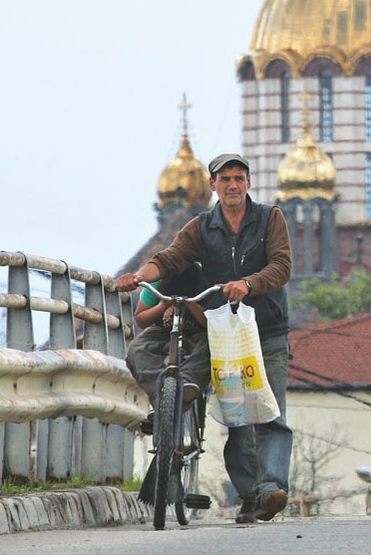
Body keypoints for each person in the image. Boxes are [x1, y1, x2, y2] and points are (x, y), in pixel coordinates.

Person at [116, 153, 294, 524]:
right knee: (239, 418)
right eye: (225, 178)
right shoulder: (202, 228)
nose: (232, 185)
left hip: (265, 329)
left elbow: (281, 266)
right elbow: (169, 259)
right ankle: (252, 496)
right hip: (226, 334)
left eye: (239, 178)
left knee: (270, 413)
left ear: (248, 183)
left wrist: (248, 283)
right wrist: (139, 275)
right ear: (213, 185)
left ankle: (272, 488)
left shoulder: (269, 219)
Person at [126, 263, 210, 408]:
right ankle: (160, 395)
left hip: (200, 331)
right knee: (136, 348)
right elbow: (141, 319)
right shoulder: (156, 280)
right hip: (164, 330)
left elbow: (210, 323)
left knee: (212, 346)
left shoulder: (206, 278)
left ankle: (187, 385)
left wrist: (188, 303)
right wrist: (163, 305)